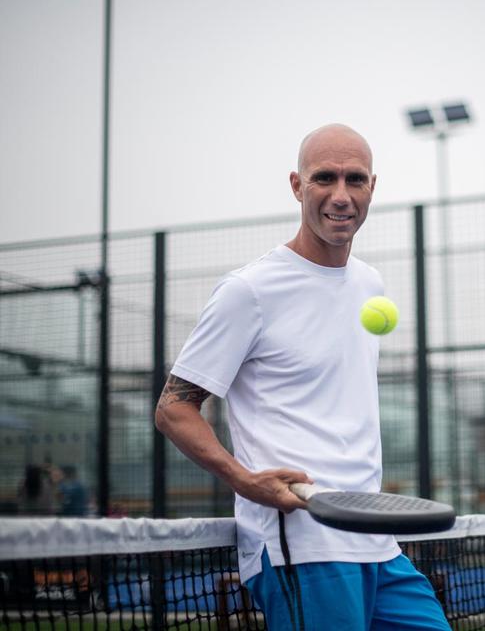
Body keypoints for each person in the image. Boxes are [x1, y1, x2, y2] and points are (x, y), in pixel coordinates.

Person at [156, 124, 450, 630]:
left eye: (355, 180)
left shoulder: (369, 282)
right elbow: (173, 409)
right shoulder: (247, 291)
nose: (341, 195)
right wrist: (246, 482)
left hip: (377, 541)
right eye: (324, 178)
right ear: (297, 186)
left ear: (372, 188)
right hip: (301, 546)